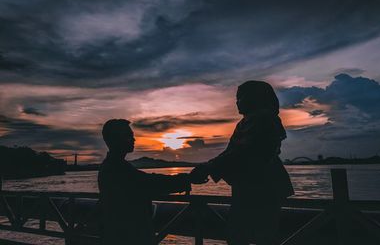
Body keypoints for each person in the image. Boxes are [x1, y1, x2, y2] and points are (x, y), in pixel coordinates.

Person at [192, 81, 294, 245]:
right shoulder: (247, 122)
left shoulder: (264, 119)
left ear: (255, 98)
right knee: (241, 234)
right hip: (249, 186)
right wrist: (210, 166)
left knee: (257, 235)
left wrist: (209, 166)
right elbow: (233, 152)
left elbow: (245, 151)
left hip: (263, 186)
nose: (237, 102)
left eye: (240, 97)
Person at [98, 119, 207, 245]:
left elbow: (147, 181)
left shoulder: (111, 166)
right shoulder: (117, 168)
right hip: (129, 236)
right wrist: (187, 179)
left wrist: (185, 179)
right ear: (115, 139)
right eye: (128, 136)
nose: (133, 139)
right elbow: (150, 182)